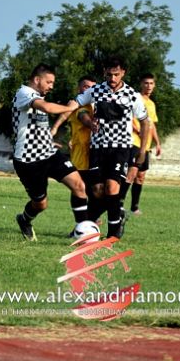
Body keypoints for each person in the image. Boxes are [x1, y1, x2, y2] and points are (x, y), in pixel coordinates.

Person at [66, 56, 150, 239]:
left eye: (116, 74)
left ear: (123, 73)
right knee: (97, 191)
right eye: (109, 74)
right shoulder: (95, 90)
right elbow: (76, 102)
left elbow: (145, 123)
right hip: (98, 148)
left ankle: (113, 233)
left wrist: (142, 151)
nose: (112, 79)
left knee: (112, 187)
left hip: (120, 148)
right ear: (104, 72)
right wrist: (60, 110)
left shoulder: (132, 95)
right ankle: (93, 223)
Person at [11, 63, 88, 241]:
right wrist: (70, 108)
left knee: (79, 186)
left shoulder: (38, 95)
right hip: (28, 160)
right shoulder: (24, 93)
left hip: (49, 154)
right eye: (49, 82)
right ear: (37, 80)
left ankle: (82, 232)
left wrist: (48, 140)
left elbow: (36, 125)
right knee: (40, 204)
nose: (51, 86)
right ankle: (24, 219)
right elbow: (47, 108)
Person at [50, 76, 106, 228]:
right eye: (86, 87)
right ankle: (82, 223)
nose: (90, 90)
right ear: (79, 88)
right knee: (80, 189)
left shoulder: (98, 105)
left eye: (93, 87)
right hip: (81, 154)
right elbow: (77, 117)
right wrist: (55, 128)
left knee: (98, 189)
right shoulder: (75, 104)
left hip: (97, 154)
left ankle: (91, 219)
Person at [120, 73, 162, 215]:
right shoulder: (136, 98)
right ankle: (118, 203)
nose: (148, 86)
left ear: (154, 85)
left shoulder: (151, 104)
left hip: (146, 145)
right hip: (135, 142)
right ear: (141, 84)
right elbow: (129, 118)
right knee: (131, 174)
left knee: (141, 176)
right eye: (146, 83)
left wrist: (158, 143)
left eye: (151, 83)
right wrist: (139, 131)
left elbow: (152, 125)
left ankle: (134, 207)